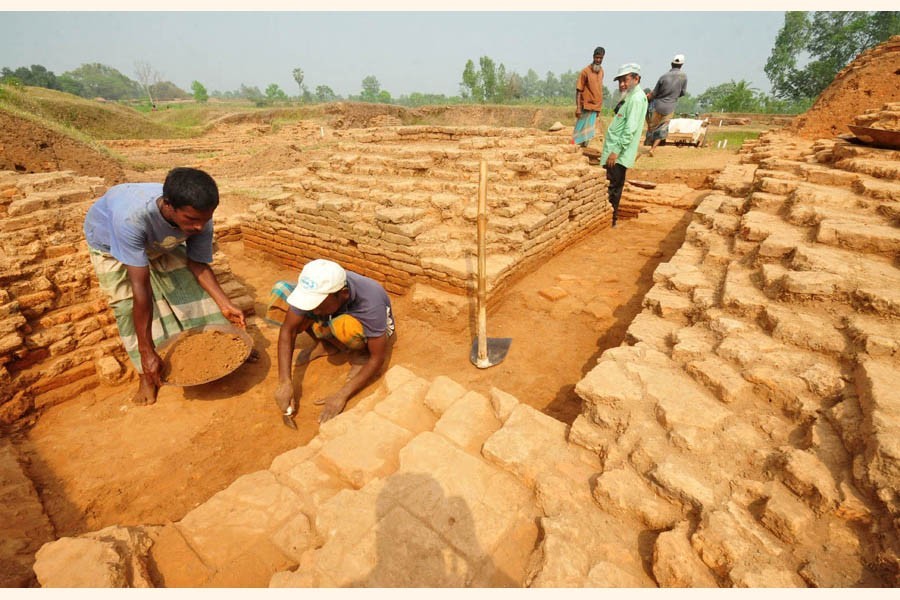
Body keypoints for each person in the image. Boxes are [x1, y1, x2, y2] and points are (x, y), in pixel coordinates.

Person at [83, 167, 251, 406]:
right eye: (192, 220)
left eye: (206, 219)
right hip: (109, 242)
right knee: (126, 306)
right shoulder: (131, 220)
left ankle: (214, 347)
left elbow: (198, 264)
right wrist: (146, 350)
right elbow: (140, 290)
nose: (200, 228)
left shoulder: (200, 217)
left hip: (158, 238)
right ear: (169, 206)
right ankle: (146, 375)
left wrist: (226, 304)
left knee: (189, 289)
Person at [273, 259, 395, 427]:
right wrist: (284, 382)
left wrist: (342, 394)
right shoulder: (323, 291)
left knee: (344, 326)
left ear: (343, 294)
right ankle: (327, 344)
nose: (313, 311)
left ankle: (359, 354)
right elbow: (288, 330)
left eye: (318, 305)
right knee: (281, 292)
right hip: (335, 312)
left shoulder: (370, 302)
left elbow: (378, 357)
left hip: (364, 328)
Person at [600, 63, 648, 228]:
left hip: (617, 155)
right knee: (611, 186)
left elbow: (630, 130)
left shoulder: (635, 99)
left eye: (625, 80)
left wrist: (616, 152)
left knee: (612, 188)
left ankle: (610, 220)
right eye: (620, 81)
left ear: (636, 78)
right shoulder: (630, 97)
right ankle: (608, 218)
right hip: (614, 152)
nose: (622, 84)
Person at [645, 54, 688, 156]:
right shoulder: (684, 77)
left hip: (658, 105)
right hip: (670, 107)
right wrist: (674, 96)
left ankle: (648, 143)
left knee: (653, 127)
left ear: (671, 64)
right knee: (663, 128)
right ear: (681, 65)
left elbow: (654, 93)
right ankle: (653, 149)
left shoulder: (663, 77)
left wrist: (645, 98)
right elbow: (683, 93)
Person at [572, 46, 605, 148]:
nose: (598, 60)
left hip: (595, 107)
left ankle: (583, 151)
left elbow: (598, 90)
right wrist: (578, 108)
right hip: (585, 106)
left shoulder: (601, 72)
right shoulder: (585, 72)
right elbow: (579, 90)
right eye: (596, 57)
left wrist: (599, 108)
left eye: (600, 58)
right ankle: (573, 148)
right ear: (593, 57)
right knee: (579, 131)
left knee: (588, 133)